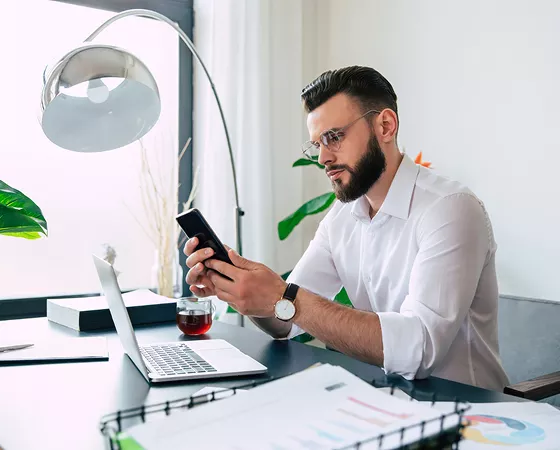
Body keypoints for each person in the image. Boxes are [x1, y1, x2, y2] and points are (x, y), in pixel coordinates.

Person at [184, 66, 510, 391]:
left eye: (334, 137)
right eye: (317, 144)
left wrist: (282, 298)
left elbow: (420, 351)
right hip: (386, 402)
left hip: (470, 415)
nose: (323, 157)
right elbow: (285, 322)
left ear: (385, 126)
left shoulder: (450, 208)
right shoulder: (342, 217)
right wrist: (239, 288)